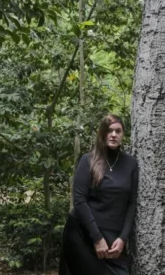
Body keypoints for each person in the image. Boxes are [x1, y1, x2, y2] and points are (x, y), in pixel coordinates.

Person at [59, 114, 138, 275]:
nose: (114, 135)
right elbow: (79, 200)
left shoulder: (131, 163)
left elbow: (132, 202)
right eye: (109, 131)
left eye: (118, 131)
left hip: (113, 239)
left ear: (123, 135)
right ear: (102, 134)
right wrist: (96, 238)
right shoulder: (88, 160)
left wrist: (123, 238)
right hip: (82, 235)